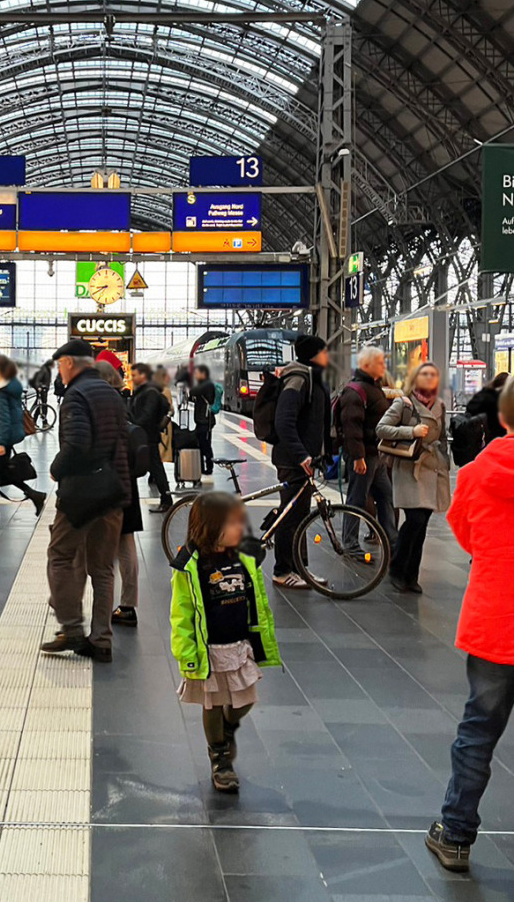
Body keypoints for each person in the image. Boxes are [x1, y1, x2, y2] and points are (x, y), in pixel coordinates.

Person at [426, 377, 514, 872]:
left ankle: (455, 834)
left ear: (502, 418)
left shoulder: (480, 471)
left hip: (496, 619)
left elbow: (463, 528)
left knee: (478, 731)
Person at [171, 492, 282, 791]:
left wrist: (262, 635)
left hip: (239, 645)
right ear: (211, 527)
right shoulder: (191, 566)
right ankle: (219, 757)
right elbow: (180, 615)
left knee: (244, 699)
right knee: (212, 703)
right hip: (210, 651)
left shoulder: (243, 557)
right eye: (233, 523)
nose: (240, 529)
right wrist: (186, 653)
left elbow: (256, 597)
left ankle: (229, 725)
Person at [42, 338, 130, 663]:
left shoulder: (75, 395)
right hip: (114, 490)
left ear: (69, 363)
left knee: (60, 555)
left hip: (82, 492)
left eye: (60, 365)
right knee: (103, 568)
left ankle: (71, 629)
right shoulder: (113, 394)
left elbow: (77, 444)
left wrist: (56, 469)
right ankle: (102, 640)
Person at [377, 361, 450, 593]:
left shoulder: (439, 404)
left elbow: (444, 435)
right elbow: (381, 429)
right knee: (415, 520)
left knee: (422, 524)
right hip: (409, 467)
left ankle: (411, 575)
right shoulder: (404, 403)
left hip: (432, 468)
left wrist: (445, 461)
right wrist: (412, 432)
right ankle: (398, 569)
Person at [271, 334, 332, 589]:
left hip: (304, 461)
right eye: (324, 351)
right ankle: (282, 570)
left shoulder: (314, 379)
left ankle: (300, 568)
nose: (328, 356)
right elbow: (283, 421)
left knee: (298, 516)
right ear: (313, 354)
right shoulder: (299, 378)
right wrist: (301, 455)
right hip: (293, 461)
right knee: (291, 517)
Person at [337, 345, 398, 555]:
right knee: (357, 498)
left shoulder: (372, 387)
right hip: (365, 456)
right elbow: (351, 426)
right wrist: (358, 456)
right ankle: (350, 543)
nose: (384, 366)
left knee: (386, 496)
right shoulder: (357, 391)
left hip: (376, 454)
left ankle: (391, 539)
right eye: (380, 363)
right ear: (366, 365)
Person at [0, 355, 45, 523]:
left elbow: (4, 419)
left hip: (0, 440)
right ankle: (32, 495)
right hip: (2, 438)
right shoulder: (11, 386)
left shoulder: (1, 392)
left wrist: (0, 442)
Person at [97, 360, 142, 627]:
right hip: (128, 482)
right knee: (126, 544)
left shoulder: (103, 404)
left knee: (105, 546)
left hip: (110, 482)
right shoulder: (125, 400)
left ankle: (106, 604)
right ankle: (128, 604)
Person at [129, 362, 172, 513]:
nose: (132, 378)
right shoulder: (142, 391)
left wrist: (133, 424)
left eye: (134, 375)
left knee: (156, 468)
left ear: (143, 375)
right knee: (155, 468)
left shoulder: (150, 392)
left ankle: (167, 500)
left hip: (148, 436)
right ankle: (166, 500)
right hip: (145, 436)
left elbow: (147, 415)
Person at [465, 371, 509, 444]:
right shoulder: (495, 398)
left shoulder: (486, 394)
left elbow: (471, 407)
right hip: (498, 434)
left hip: (488, 435)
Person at [189, 364, 217, 475]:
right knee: (201, 443)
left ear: (203, 374)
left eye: (197, 373)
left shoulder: (207, 385)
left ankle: (209, 467)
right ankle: (202, 467)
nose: (195, 375)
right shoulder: (204, 385)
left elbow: (193, 392)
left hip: (205, 420)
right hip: (202, 420)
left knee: (205, 444)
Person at [153, 366, 175, 464]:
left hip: (156, 423)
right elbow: (170, 408)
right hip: (164, 424)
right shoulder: (165, 390)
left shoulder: (153, 388)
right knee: (162, 451)